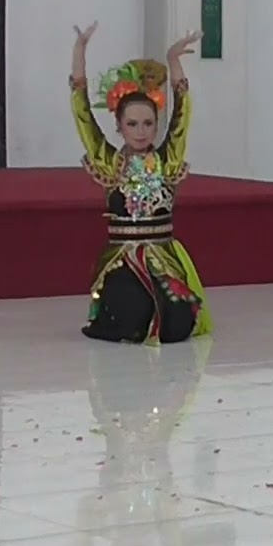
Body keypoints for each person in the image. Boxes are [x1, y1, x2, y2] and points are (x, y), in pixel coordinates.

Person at [70, 22, 212, 346]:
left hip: (163, 260)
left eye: (148, 123)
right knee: (132, 316)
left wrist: (173, 61)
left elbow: (182, 115)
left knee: (176, 323)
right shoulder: (110, 163)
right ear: (119, 127)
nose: (141, 131)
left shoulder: (167, 160)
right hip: (122, 261)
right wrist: (79, 54)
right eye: (132, 124)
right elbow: (83, 117)